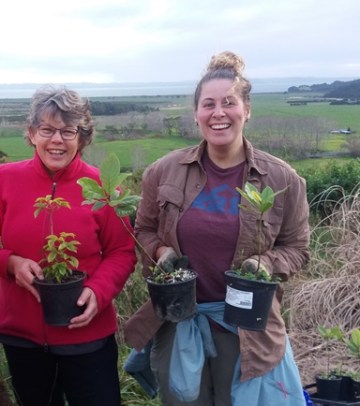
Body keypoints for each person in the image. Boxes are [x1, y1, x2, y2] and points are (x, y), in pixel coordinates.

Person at [123, 51, 310, 406]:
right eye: (208, 104)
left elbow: (297, 248)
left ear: (247, 110)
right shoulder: (163, 171)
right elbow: (143, 229)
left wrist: (266, 263)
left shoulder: (282, 178)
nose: (218, 113)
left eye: (229, 103)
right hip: (178, 320)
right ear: (196, 114)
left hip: (245, 327)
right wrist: (161, 251)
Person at [0, 85, 136, 406]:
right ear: (32, 134)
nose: (57, 140)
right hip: (22, 338)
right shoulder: (3, 180)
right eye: (47, 130)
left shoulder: (103, 187)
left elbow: (122, 252)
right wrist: (8, 263)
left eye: (68, 131)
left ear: (82, 137)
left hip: (88, 336)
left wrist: (98, 291)